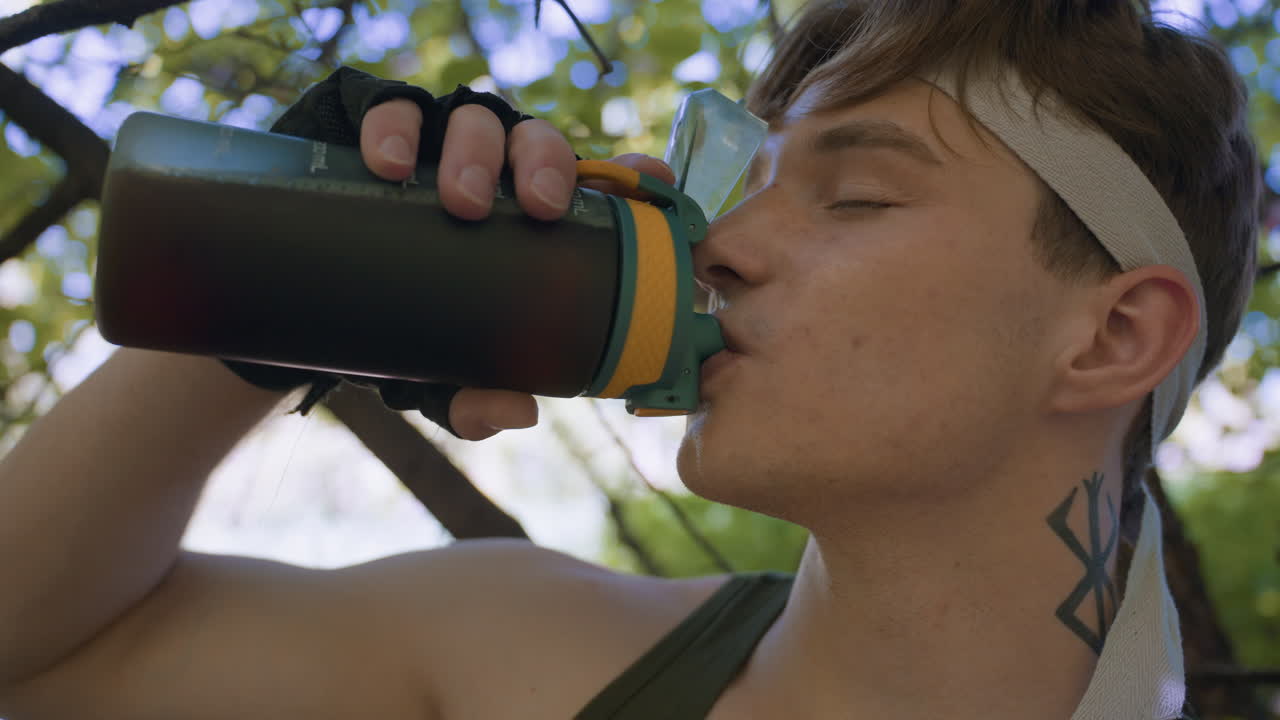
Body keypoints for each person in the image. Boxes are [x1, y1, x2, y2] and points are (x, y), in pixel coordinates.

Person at [0, 0, 1260, 717]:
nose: (720, 242)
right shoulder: (518, 648)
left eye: (856, 198)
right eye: (741, 183)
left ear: (1109, 336)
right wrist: (271, 288)